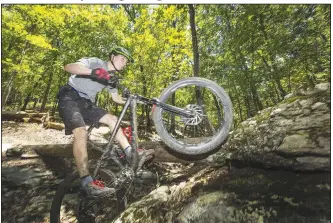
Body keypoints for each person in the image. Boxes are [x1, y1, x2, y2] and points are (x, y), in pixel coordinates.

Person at [57, 46, 138, 198]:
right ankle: (86, 182)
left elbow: (116, 98)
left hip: (87, 103)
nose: (124, 63)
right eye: (122, 59)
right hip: (70, 96)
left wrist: (132, 99)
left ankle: (130, 152)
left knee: (112, 119)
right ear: (112, 56)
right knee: (80, 131)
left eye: (126, 61)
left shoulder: (111, 78)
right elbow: (68, 67)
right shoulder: (96, 62)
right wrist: (93, 72)